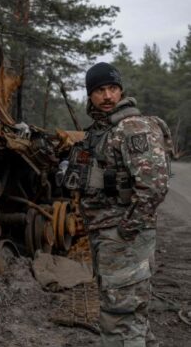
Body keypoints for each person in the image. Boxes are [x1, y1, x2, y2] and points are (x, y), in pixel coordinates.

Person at [63, 62, 172, 347]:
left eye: (113, 88)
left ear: (121, 90)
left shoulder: (133, 127)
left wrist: (126, 229)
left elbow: (154, 186)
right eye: (100, 90)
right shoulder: (101, 131)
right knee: (130, 314)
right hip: (109, 235)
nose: (108, 96)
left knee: (120, 319)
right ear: (90, 96)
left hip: (124, 236)